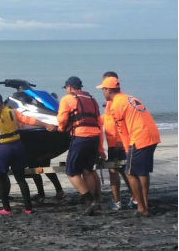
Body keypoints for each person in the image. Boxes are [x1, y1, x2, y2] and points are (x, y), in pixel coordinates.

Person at [0, 93, 57, 215]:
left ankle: (6, 209)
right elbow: (29, 120)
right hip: (17, 147)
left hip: (2, 150)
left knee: (0, 179)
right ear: (2, 102)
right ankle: (28, 208)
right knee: (21, 179)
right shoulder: (13, 111)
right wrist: (47, 125)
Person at [97, 76, 160, 217]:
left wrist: (128, 149)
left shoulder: (116, 104)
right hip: (152, 135)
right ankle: (144, 202)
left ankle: (142, 208)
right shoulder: (129, 98)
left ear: (108, 90)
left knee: (131, 173)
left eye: (103, 90)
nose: (103, 92)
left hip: (139, 137)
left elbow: (122, 130)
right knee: (142, 172)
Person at [57, 76, 105, 215]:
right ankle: (96, 200)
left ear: (70, 87)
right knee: (87, 169)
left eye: (66, 88)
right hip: (95, 137)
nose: (66, 90)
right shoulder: (92, 99)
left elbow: (62, 118)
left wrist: (61, 128)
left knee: (71, 171)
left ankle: (89, 200)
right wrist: (101, 148)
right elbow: (98, 120)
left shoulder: (67, 99)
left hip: (81, 136)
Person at [98, 71, 128, 211]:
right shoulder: (113, 101)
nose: (103, 89)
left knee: (116, 171)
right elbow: (109, 119)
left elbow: (118, 121)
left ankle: (118, 201)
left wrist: (119, 141)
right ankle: (128, 198)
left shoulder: (117, 101)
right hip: (114, 141)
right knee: (122, 171)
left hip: (117, 142)